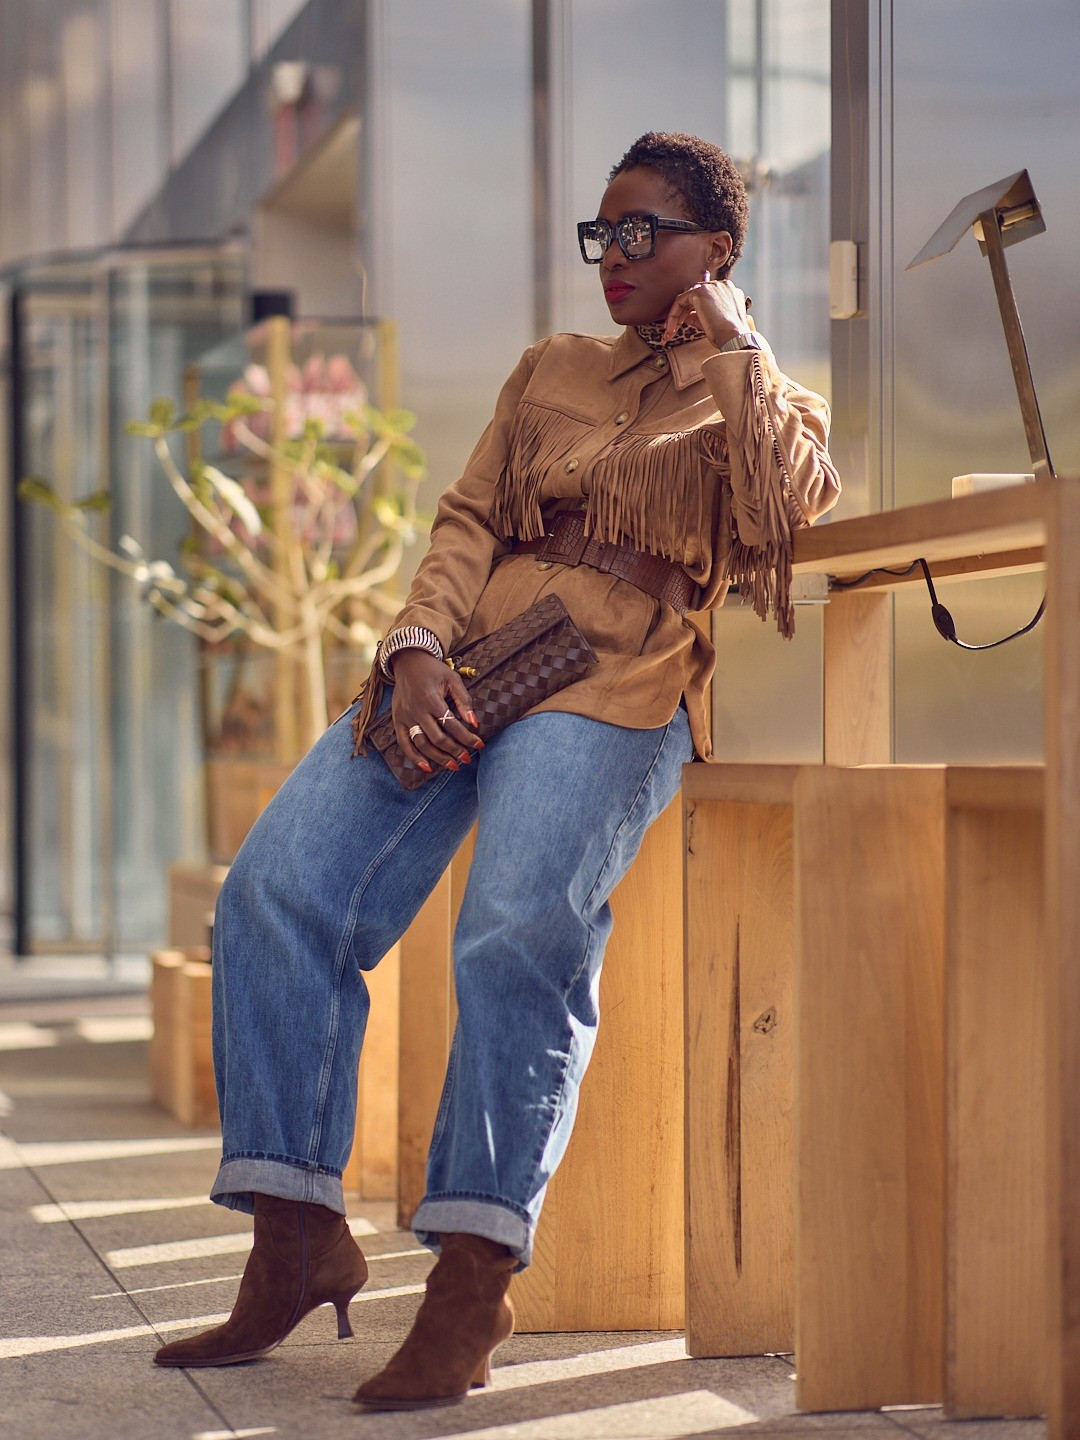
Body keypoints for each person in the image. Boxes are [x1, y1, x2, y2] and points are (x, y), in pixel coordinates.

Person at [153, 131, 840, 1409]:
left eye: (642, 233)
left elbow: (785, 511)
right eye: (601, 234)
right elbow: (468, 518)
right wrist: (415, 648)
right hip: (464, 664)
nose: (614, 256)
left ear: (715, 247)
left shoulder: (761, 393)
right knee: (272, 892)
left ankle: (472, 1281)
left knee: (516, 928)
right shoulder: (550, 367)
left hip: (615, 681)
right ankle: (294, 1237)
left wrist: (732, 343)